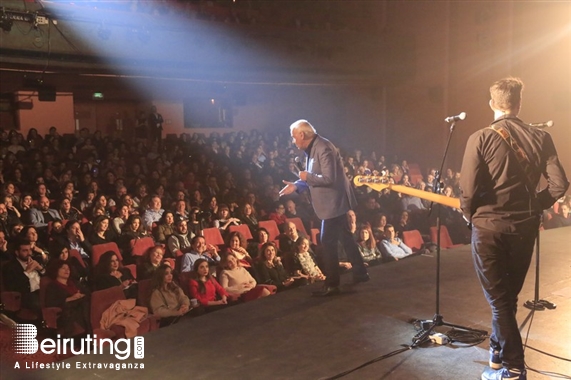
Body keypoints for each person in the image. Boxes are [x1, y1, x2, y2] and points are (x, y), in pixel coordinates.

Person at [459, 77, 568, 380]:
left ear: (492, 104)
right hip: (524, 229)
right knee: (507, 298)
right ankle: (496, 352)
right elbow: (560, 185)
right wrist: (535, 204)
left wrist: (469, 215)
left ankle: (515, 368)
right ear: (519, 104)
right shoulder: (541, 137)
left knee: (500, 301)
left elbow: (466, 189)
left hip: (489, 228)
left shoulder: (480, 138)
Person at [279, 120, 368, 296]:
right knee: (346, 237)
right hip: (333, 202)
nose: (293, 141)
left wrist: (306, 177)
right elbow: (313, 177)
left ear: (302, 135)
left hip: (333, 203)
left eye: (293, 137)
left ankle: (332, 284)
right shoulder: (313, 148)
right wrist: (297, 185)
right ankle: (360, 272)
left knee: (327, 242)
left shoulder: (323, 148)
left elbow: (328, 178)